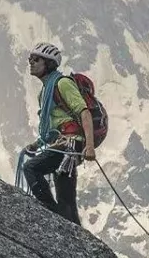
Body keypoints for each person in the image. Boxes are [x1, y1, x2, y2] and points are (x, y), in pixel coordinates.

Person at [21, 42, 96, 225]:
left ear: (48, 63)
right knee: (66, 200)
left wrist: (90, 146)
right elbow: (51, 128)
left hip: (70, 144)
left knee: (31, 168)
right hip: (63, 144)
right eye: (30, 59)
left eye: (36, 59)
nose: (31, 62)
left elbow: (84, 112)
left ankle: (52, 215)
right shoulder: (45, 92)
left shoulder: (62, 84)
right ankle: (74, 233)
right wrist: (37, 144)